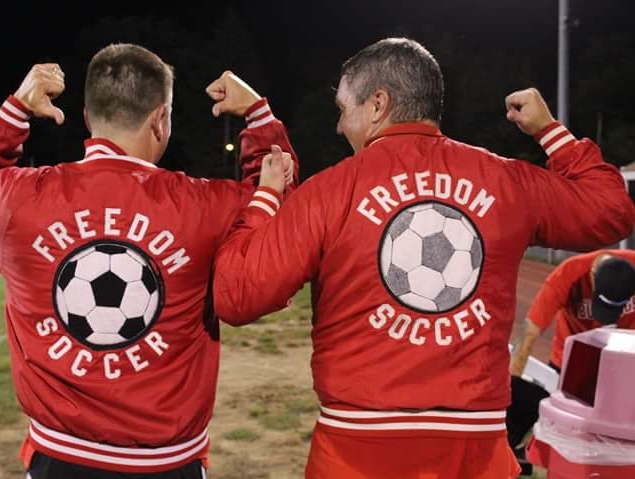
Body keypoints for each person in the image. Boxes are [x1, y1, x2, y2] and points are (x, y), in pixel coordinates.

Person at [212, 37, 635, 479]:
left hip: (357, 451)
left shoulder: (330, 191)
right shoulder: (504, 180)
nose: (339, 126)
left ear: (378, 104)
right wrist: (549, 131)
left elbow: (238, 295)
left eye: (343, 109)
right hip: (476, 451)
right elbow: (611, 211)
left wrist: (265, 197)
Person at [0, 44, 297, 478]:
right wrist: (258, 115)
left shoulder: (20, 198)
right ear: (161, 119)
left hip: (58, 460)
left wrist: (16, 109)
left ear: (87, 118)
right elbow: (277, 204)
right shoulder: (206, 205)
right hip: (166, 464)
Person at [506, 251, 635, 459]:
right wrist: (510, 391)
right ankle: (510, 448)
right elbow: (529, 336)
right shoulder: (568, 274)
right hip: (572, 364)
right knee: (524, 397)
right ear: (593, 276)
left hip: (621, 361)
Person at [510, 250, 635, 375]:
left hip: (623, 356)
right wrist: (513, 382)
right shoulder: (567, 275)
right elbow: (529, 332)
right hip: (571, 359)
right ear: (592, 275)